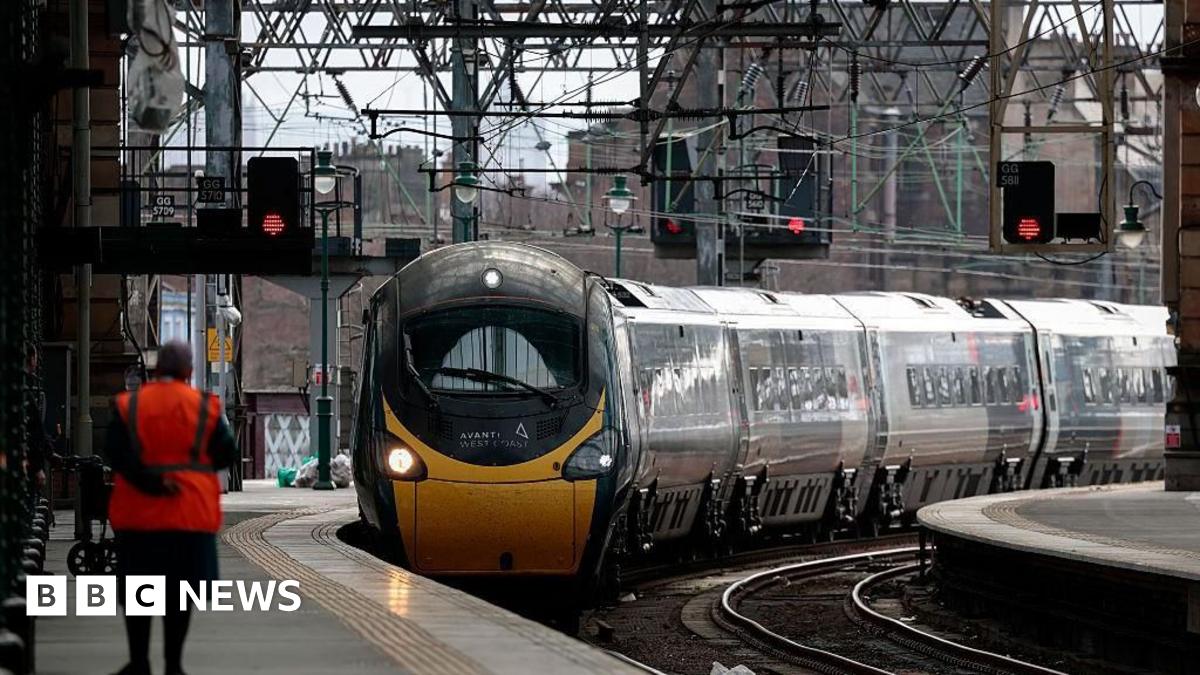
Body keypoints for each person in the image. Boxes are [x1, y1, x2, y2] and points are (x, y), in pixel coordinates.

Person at [105, 341, 238, 675]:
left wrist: (150, 481)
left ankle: (139, 662)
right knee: (180, 594)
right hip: (189, 515)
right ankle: (174, 664)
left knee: (138, 592)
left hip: (139, 516)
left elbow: (116, 453)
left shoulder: (130, 405)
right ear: (189, 371)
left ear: (156, 369)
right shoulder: (203, 407)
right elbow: (227, 452)